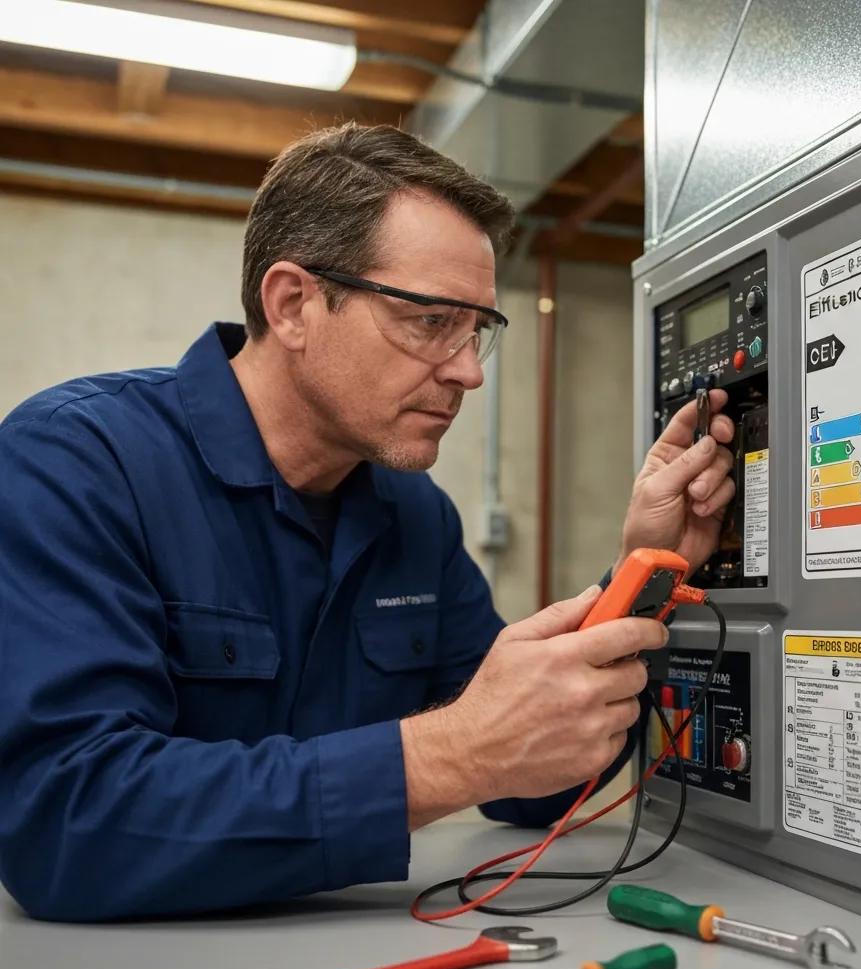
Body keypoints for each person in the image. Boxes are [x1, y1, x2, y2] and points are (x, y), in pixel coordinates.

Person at [0, 124, 735, 922]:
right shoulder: (76, 462)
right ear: (292, 305)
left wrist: (645, 568)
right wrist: (448, 756)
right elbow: (65, 819)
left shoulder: (414, 517)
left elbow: (541, 777)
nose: (468, 372)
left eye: (478, 329)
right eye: (430, 322)